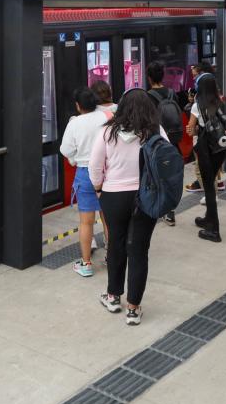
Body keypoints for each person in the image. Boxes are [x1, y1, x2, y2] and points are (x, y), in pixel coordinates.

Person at [89, 89, 167, 325]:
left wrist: (99, 188)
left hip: (114, 196)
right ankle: (133, 309)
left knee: (116, 244)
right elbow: (166, 160)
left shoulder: (106, 132)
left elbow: (94, 166)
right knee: (139, 250)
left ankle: (113, 296)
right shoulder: (156, 131)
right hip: (146, 196)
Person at [60, 87, 108, 277]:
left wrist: (75, 159)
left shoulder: (75, 123)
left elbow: (65, 150)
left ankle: (86, 264)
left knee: (86, 222)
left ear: (78, 106)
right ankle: (111, 257)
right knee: (108, 218)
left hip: (85, 173)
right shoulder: (106, 116)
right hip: (106, 172)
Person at [187, 74, 226, 242]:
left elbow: (191, 130)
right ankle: (208, 218)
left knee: (209, 188)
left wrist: (195, 129)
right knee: (211, 182)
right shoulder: (220, 102)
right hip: (220, 148)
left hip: (205, 149)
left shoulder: (198, 106)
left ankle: (214, 230)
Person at [146, 62, 182, 226]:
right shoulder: (172, 93)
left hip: (156, 142)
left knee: (155, 176)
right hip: (173, 141)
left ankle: (157, 207)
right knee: (169, 175)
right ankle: (170, 211)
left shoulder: (148, 96)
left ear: (149, 78)